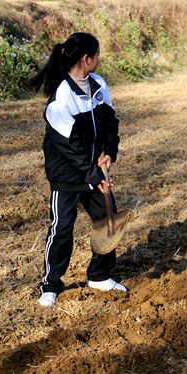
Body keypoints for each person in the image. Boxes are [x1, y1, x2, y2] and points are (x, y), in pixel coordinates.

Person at [30, 32, 127, 308]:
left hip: (95, 169)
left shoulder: (98, 85)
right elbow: (69, 147)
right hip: (68, 176)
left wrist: (109, 154)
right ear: (87, 58)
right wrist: (94, 175)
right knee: (62, 228)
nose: (99, 59)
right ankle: (50, 283)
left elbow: (110, 123)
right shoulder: (61, 97)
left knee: (108, 220)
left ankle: (99, 274)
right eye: (97, 55)